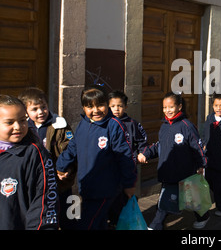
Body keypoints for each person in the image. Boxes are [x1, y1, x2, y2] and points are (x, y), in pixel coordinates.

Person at [56, 85, 137, 230]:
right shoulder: (83, 125)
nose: (96, 110)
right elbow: (72, 148)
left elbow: (125, 157)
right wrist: (61, 167)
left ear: (107, 104)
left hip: (105, 188)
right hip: (87, 185)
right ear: (83, 108)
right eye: (90, 107)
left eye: (100, 105)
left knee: (86, 224)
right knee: (98, 223)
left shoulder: (114, 126)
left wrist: (129, 183)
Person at [140, 92, 208, 230]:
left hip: (185, 171)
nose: (167, 111)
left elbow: (198, 147)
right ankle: (156, 225)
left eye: (171, 107)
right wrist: (146, 153)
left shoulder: (187, 125)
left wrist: (202, 164)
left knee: (191, 198)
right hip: (169, 171)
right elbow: (160, 145)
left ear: (179, 107)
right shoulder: (164, 126)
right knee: (165, 201)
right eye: (165, 107)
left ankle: (203, 216)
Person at [19, 87, 76, 229]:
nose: (40, 112)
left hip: (59, 181)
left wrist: (64, 169)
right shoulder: (23, 127)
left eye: (43, 107)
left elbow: (70, 148)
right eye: (35, 109)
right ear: (26, 111)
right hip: (35, 181)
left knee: (69, 214)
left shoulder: (60, 124)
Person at [0, 95, 59, 230]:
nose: (18, 127)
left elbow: (44, 202)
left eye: (22, 120)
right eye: (10, 122)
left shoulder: (35, 154)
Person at [107, 90, 149, 227]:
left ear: (125, 107)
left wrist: (141, 153)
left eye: (120, 106)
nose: (116, 109)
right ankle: (113, 220)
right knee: (111, 196)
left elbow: (142, 141)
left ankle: (123, 221)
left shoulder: (132, 124)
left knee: (126, 195)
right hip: (110, 169)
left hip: (127, 168)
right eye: (113, 106)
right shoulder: (105, 123)